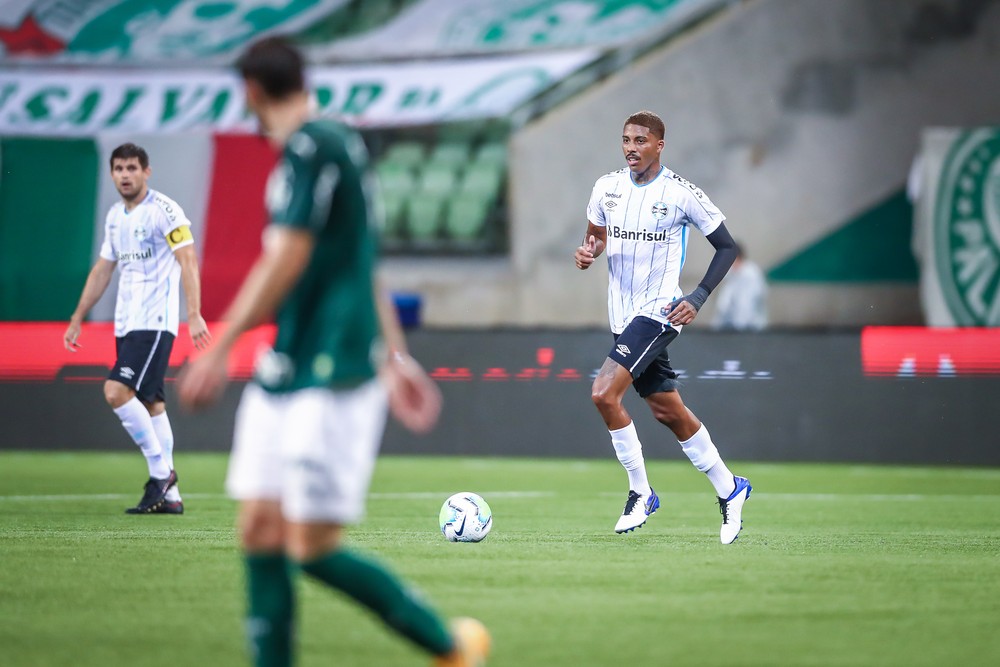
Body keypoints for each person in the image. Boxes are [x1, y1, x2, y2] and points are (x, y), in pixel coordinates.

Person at [176, 38, 489, 667]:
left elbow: (289, 256)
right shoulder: (329, 146)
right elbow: (361, 261)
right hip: (287, 365)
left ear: (251, 92)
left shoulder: (313, 146)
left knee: (312, 546)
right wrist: (396, 356)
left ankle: (449, 646)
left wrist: (219, 346)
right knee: (259, 530)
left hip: (332, 371)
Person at [574, 110, 752, 544]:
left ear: (659, 145)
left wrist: (698, 297)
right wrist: (589, 252)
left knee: (603, 393)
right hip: (621, 315)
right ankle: (730, 487)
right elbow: (596, 236)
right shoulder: (606, 188)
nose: (631, 148)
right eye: (626, 140)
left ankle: (641, 492)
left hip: (658, 312)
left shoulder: (680, 193)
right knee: (666, 410)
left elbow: (726, 247)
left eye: (640, 140)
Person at [64, 142, 210, 515]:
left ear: (147, 172)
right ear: (112, 174)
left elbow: (188, 260)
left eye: (132, 168)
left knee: (116, 391)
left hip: (155, 321)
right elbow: (103, 269)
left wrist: (194, 313)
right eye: (119, 169)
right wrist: (79, 315)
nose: (125, 175)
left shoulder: (164, 211)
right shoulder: (116, 216)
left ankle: (162, 475)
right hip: (127, 322)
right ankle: (171, 499)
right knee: (151, 403)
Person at [711, 241, 768, 331]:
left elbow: (748, 304)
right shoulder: (730, 273)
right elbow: (723, 303)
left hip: (752, 327)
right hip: (733, 327)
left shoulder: (751, 274)